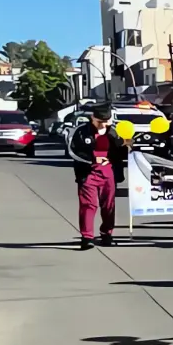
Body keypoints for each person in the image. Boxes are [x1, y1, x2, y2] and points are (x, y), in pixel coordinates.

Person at [66, 105, 126, 250]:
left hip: (109, 172)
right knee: (89, 205)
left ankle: (107, 234)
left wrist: (126, 145)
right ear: (92, 118)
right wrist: (93, 159)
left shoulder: (114, 132)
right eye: (99, 121)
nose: (103, 125)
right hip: (88, 172)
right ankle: (87, 237)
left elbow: (122, 152)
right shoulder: (81, 131)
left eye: (106, 121)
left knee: (108, 206)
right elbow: (73, 151)